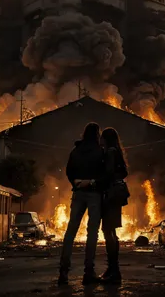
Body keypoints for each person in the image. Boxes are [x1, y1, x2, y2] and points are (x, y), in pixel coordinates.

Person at [58, 122, 105, 286]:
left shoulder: (75, 151)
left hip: (78, 194)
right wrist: (92, 182)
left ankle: (63, 272)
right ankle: (88, 272)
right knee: (92, 234)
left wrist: (77, 183)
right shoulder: (101, 152)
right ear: (97, 134)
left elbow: (69, 171)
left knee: (71, 231)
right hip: (94, 194)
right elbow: (105, 174)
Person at [99, 127, 128, 285]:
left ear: (106, 138)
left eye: (102, 137)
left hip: (110, 195)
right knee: (111, 231)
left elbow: (108, 174)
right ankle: (112, 270)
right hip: (116, 195)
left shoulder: (110, 152)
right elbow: (123, 173)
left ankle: (114, 270)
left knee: (108, 231)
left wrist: (95, 182)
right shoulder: (116, 151)